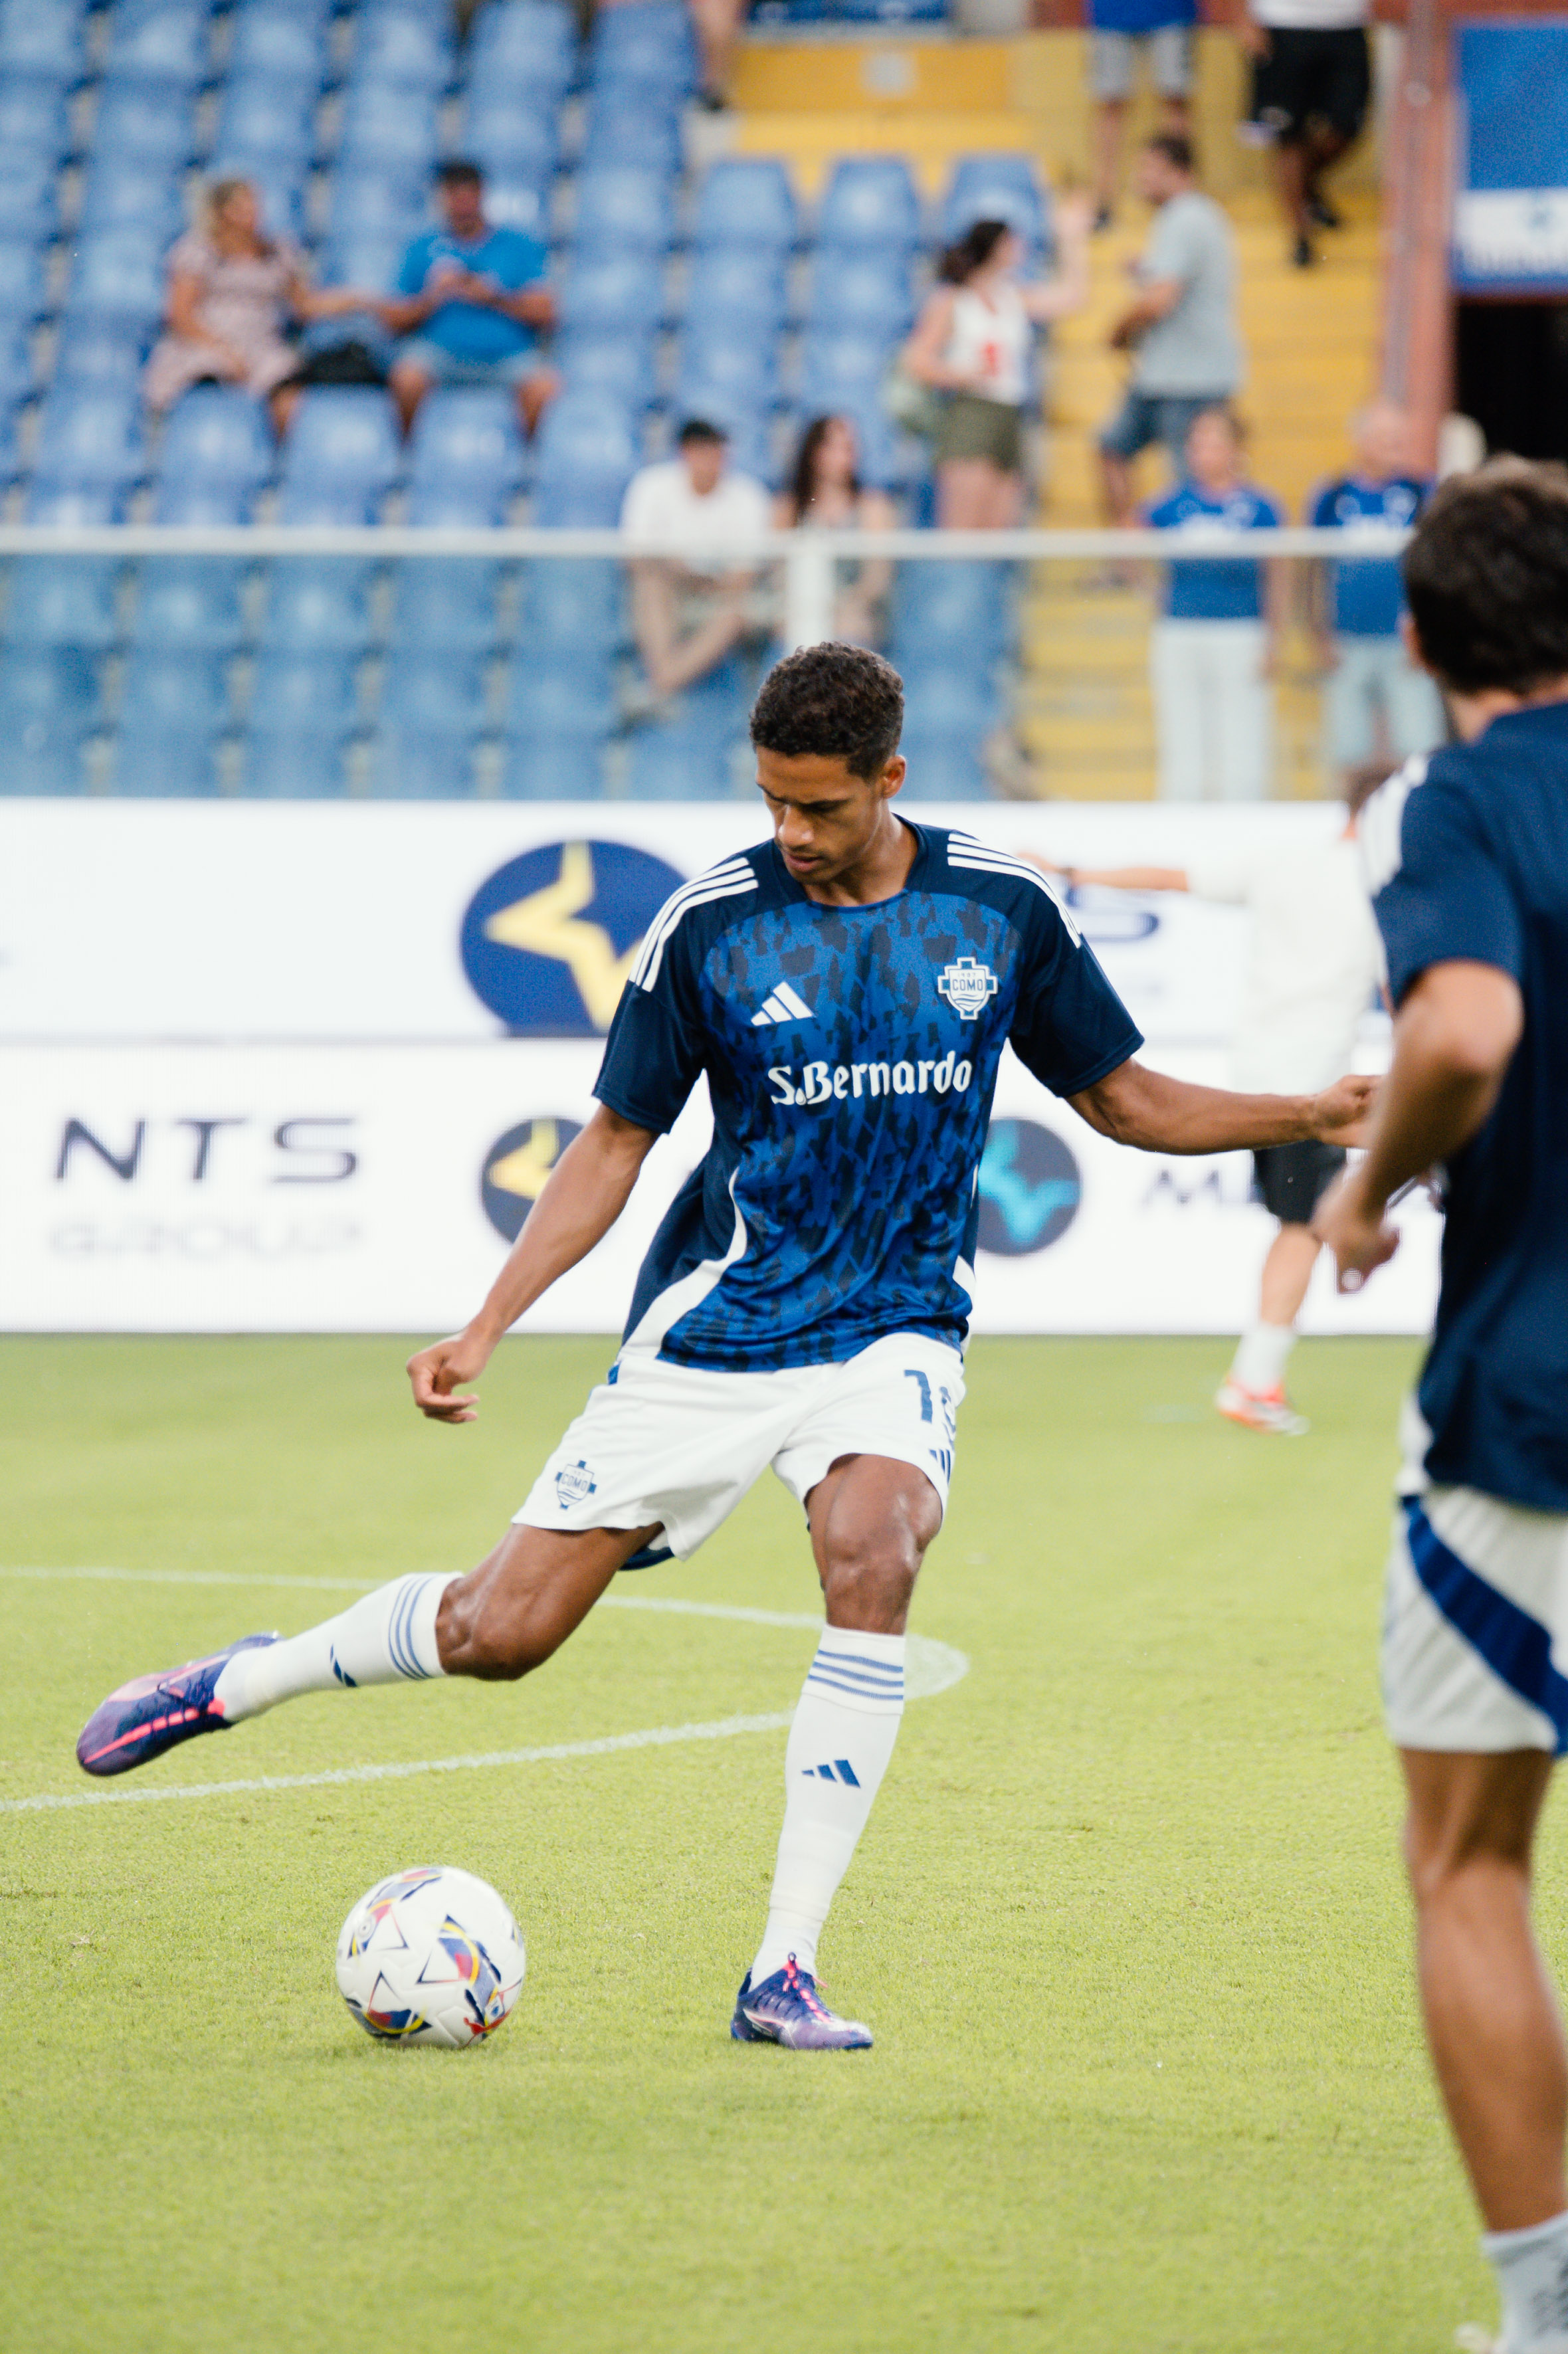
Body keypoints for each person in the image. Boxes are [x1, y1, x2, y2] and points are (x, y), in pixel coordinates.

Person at [74, 642, 1374, 2052]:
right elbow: (612, 1142)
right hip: (722, 1327)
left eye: (821, 806)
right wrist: (490, 1319)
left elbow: (1124, 1100)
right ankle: (243, 1677)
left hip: (894, 1326)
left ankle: (783, 1968)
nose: (792, 832)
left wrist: (1308, 1114)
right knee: (498, 1636)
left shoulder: (998, 907)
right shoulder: (712, 925)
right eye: (772, 801)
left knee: (877, 1549)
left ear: (890, 777)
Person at [1313, 460, 1568, 2354]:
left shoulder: (1460, 799)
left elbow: (1465, 1027)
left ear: (1417, 638)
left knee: (1470, 1860)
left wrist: (1365, 1187)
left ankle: (1545, 2313)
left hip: (1530, 1408)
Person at [1039, 765, 1384, 1435]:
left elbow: (1171, 878)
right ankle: (1253, 1381)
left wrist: (1073, 871)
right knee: (1304, 1228)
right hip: (1316, 1084)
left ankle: (1256, 1376)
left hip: (1253, 1070)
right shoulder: (1384, 884)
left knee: (1299, 1225)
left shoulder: (1286, 863)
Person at [900, 204, 1091, 530]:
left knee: (1000, 529)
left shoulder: (1012, 297)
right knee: (964, 528)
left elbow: (1073, 298)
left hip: (1010, 414)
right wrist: (962, 375)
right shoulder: (953, 300)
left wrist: (1072, 240)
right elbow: (916, 360)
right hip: (972, 412)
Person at [144, 178, 373, 436]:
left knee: (289, 394)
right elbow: (181, 315)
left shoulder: (277, 251)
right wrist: (223, 351)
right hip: (207, 344)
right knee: (211, 390)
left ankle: (287, 452)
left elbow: (304, 304)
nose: (252, 211)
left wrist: (357, 301)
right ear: (221, 211)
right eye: (241, 206)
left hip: (262, 347)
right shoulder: (197, 250)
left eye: (253, 204)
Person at [1144, 406, 1286, 801]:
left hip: (1240, 630)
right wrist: (1151, 590)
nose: (1204, 450)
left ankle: (1244, 817)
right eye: (1197, 441)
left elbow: (1277, 575)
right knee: (1181, 733)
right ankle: (1181, 814)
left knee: (1243, 734)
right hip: (1180, 630)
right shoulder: (1172, 503)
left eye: (1214, 440)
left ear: (1236, 448)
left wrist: (1274, 638)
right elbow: (1128, 543)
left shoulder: (1260, 507)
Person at [1098, 136, 1242, 526]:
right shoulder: (1193, 217)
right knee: (1112, 448)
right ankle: (1132, 549)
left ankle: (1170, 557)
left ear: (1181, 173)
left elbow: (1159, 300)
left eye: (1151, 169)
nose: (1140, 178)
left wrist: (1119, 332)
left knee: (1193, 482)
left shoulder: (1184, 216)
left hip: (1189, 380)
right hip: (1169, 376)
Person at [1309, 401, 1447, 789]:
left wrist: (1429, 630)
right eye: (1385, 438)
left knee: (1416, 742)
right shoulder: (1333, 495)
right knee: (1348, 746)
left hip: (1405, 642)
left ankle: (1416, 812)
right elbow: (1313, 565)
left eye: (1398, 438)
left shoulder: (1420, 492)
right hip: (1346, 640)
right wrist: (1318, 630)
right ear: (1361, 440)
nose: (1394, 446)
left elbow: (1437, 565)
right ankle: (1352, 816)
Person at [379, 159, 558, 441]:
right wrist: (433, 296)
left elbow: (546, 313)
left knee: (545, 386)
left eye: (468, 197)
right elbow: (392, 320)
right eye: (454, 197)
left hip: (508, 357)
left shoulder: (517, 245)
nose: (462, 207)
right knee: (406, 378)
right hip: (440, 355)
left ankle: (528, 460)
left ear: (482, 195)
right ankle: (410, 454)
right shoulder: (422, 248)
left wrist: (494, 297)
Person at [621, 417, 773, 700]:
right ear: (685, 452)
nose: (712, 458)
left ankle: (662, 684)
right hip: (670, 594)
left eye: (716, 448)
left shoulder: (748, 495)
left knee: (733, 615)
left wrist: (685, 572)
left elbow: (743, 576)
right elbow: (637, 560)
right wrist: (685, 573)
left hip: (720, 599)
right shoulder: (652, 485)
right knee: (650, 587)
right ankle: (665, 678)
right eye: (703, 448)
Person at [1238, 0, 1372, 268]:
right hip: (1282, 21)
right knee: (1287, 135)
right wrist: (1242, 18)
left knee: (1346, 126)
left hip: (1346, 21)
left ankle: (1305, 188)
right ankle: (1300, 236)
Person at [773, 415, 897, 648]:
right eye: (832, 447)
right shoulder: (788, 508)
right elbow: (777, 573)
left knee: (849, 635)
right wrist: (807, 607)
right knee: (789, 635)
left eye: (848, 448)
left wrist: (841, 607)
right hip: (799, 608)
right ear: (813, 451)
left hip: (853, 613)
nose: (843, 457)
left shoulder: (873, 507)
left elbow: (876, 578)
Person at [1086, 0, 1195, 231]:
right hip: (1113, 12)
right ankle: (1104, 202)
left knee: (1175, 100)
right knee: (1110, 105)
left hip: (1169, 11)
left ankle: (1180, 199)